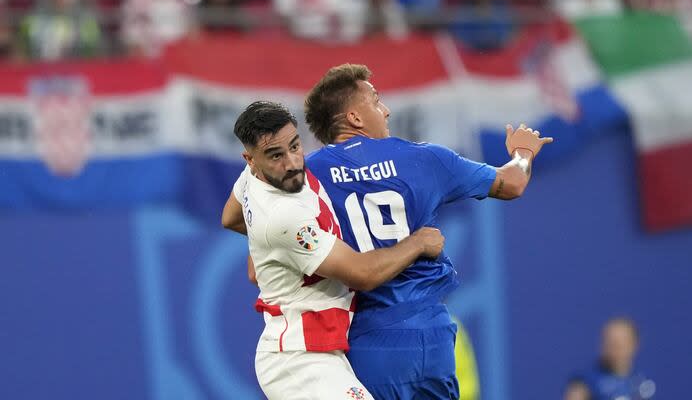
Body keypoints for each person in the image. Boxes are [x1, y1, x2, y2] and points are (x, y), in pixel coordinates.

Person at [302, 64, 553, 399]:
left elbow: (252, 226)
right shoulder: (424, 159)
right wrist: (523, 152)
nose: (386, 110)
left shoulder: (307, 176)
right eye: (375, 101)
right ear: (355, 118)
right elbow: (512, 183)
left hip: (368, 340)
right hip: (431, 337)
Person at [220, 100, 446, 399]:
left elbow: (230, 217)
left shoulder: (254, 178)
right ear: (250, 159)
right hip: (298, 360)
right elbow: (362, 274)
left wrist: (269, 253)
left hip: (318, 351)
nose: (291, 163)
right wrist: (418, 242)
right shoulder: (284, 217)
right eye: (275, 156)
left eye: (295, 146)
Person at [581, 317, 656, 400]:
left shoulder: (641, 383)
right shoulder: (584, 383)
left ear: (635, 344)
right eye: (610, 342)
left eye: (620, 343)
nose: (615, 348)